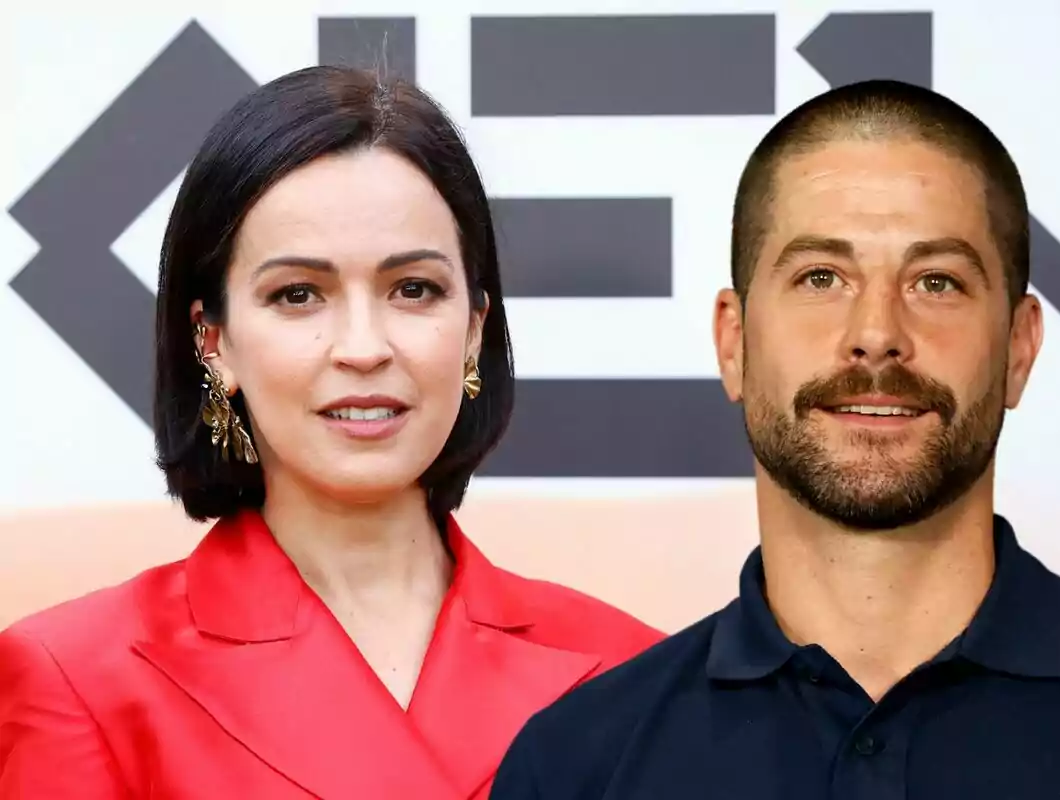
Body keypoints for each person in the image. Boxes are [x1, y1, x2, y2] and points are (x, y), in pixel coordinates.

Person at [489, 79, 1060, 799]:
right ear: (733, 343)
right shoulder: (580, 765)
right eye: (821, 277)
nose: (877, 336)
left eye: (937, 282)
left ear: (1018, 348)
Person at [0, 65, 662, 799]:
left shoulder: (635, 675)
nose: (362, 346)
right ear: (213, 340)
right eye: (298, 295)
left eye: (413, 289)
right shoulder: (79, 679)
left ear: (473, 328)